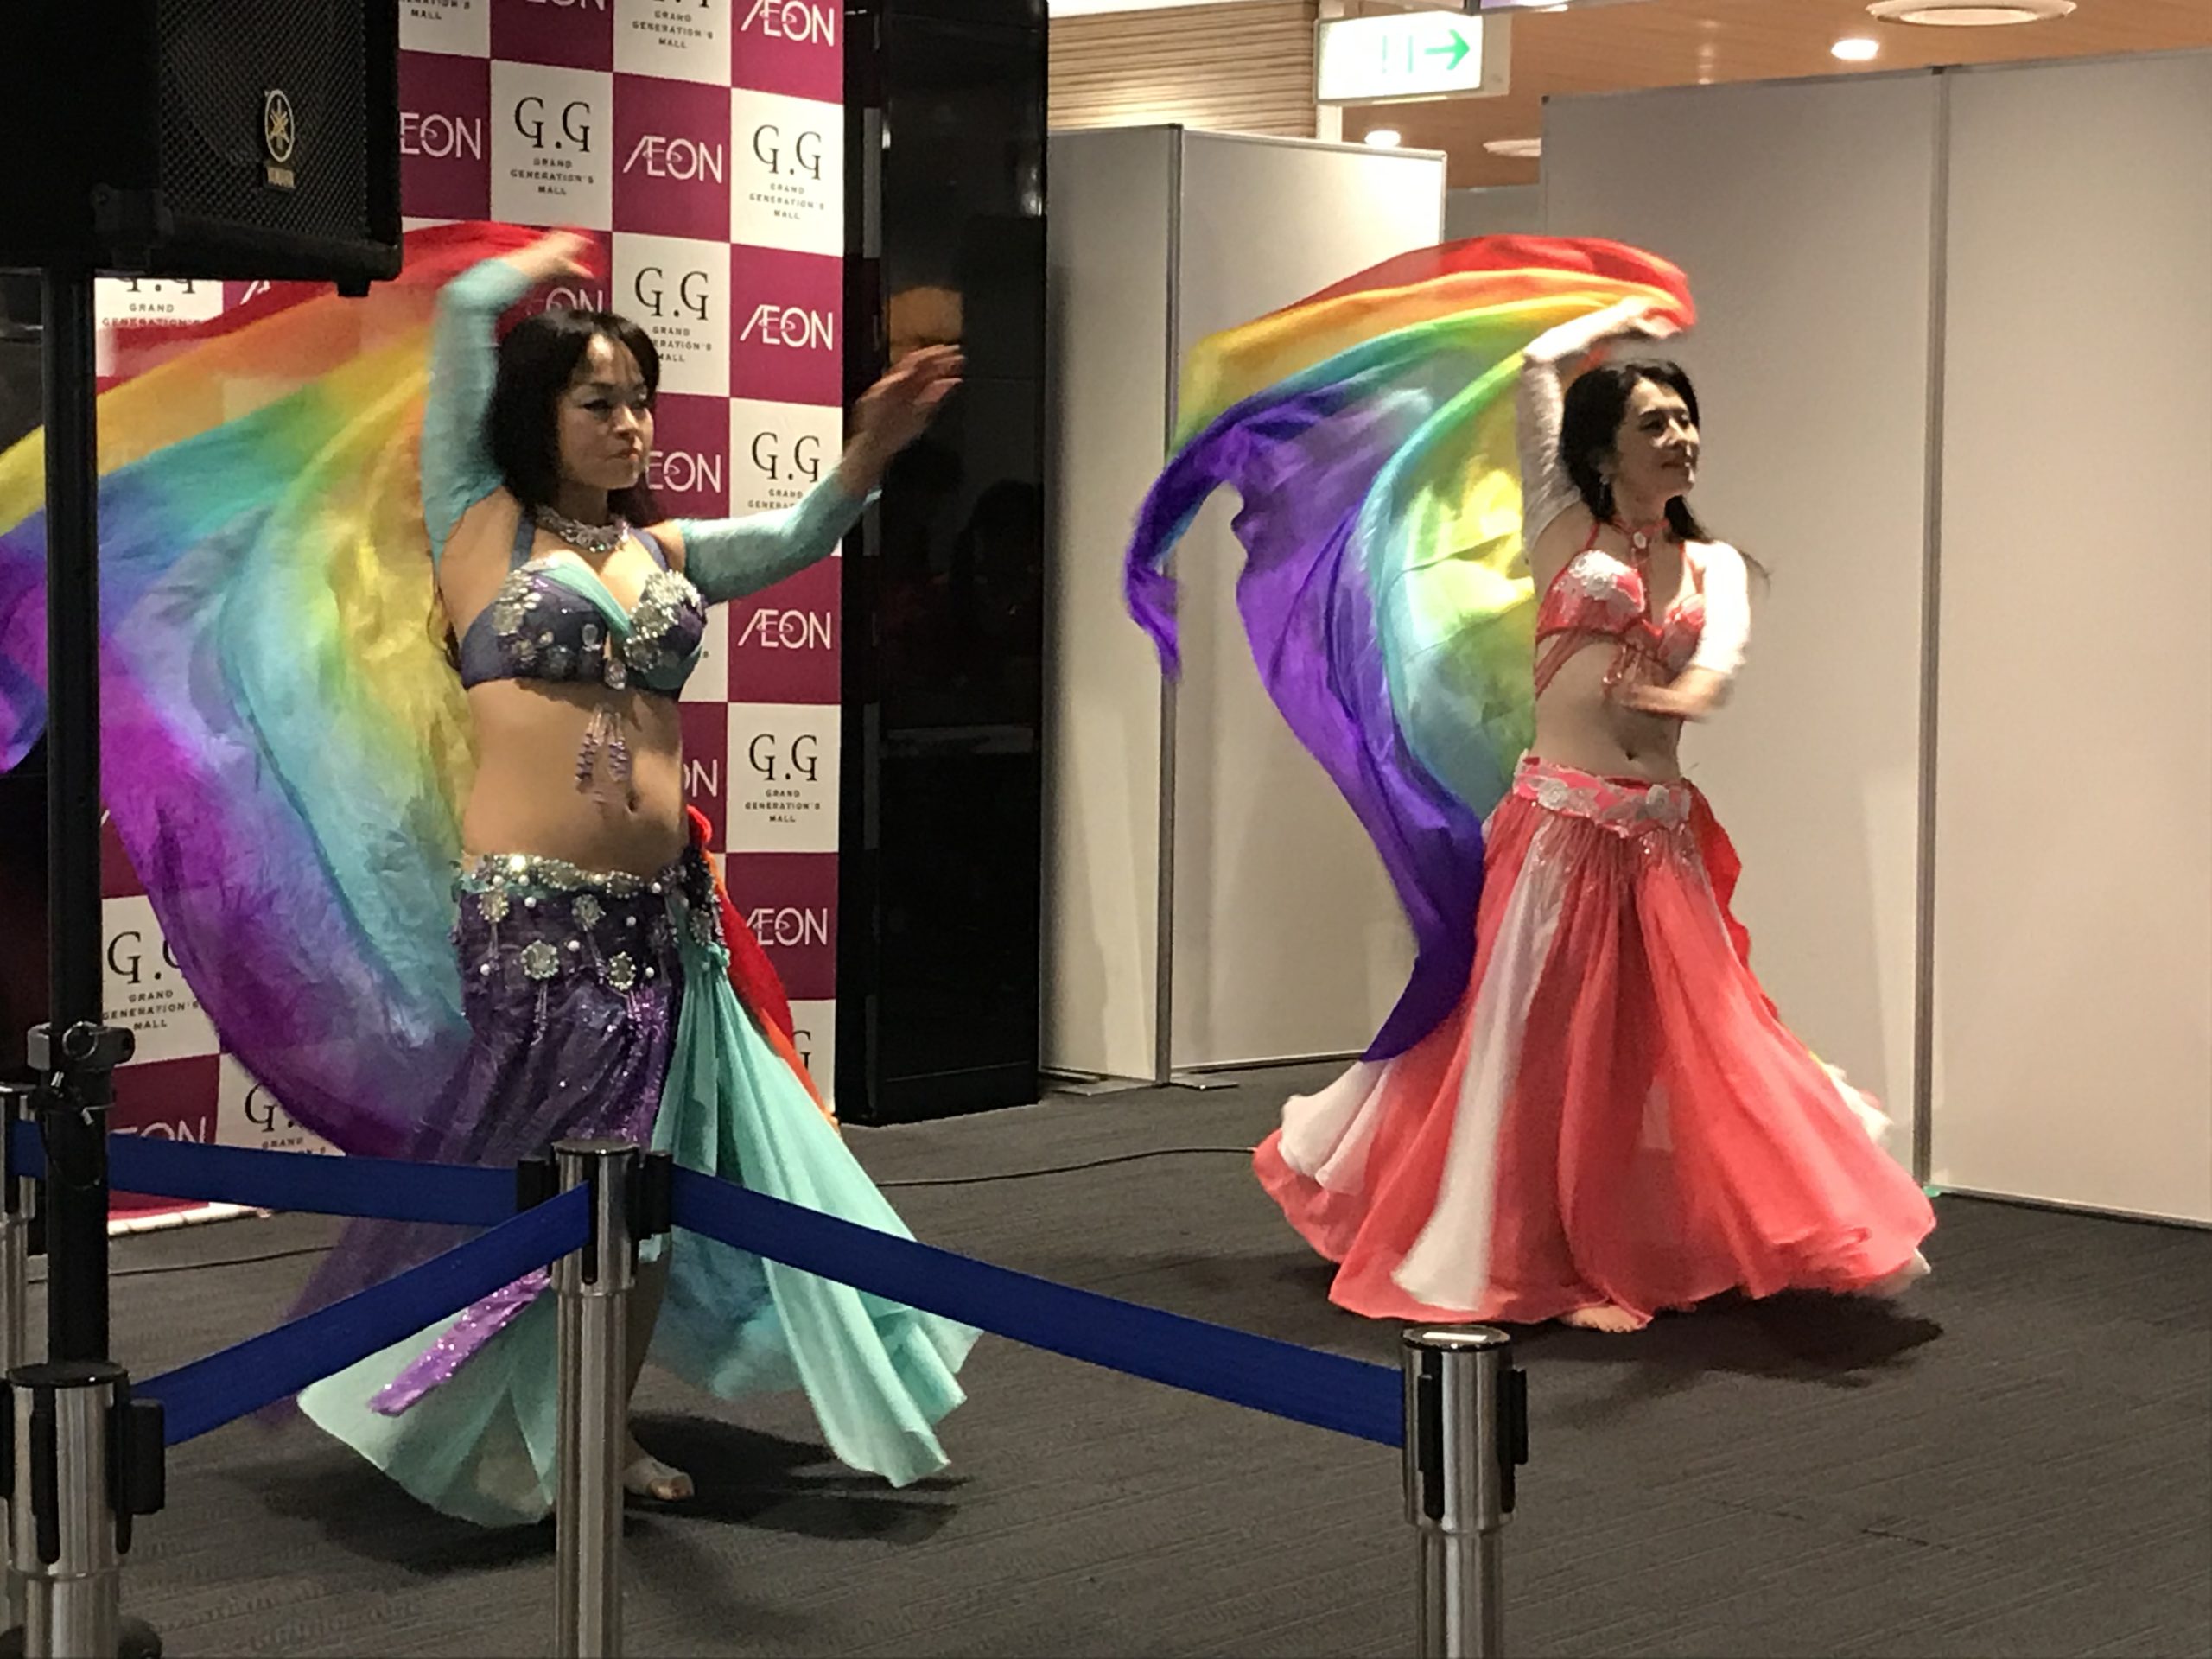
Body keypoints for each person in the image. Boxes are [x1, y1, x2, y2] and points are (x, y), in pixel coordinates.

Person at [0, 224, 976, 1525]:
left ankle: (596, 1425)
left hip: (662, 924)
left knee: (645, 1192)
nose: (630, 425)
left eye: (640, 401)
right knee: (557, 1181)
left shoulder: (664, 556)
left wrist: (871, 448)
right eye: (598, 401)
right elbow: (464, 315)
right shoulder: (480, 526)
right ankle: (469, 1406)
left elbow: (804, 532)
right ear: (538, 416)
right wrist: (538, 259)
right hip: (537, 921)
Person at [1125, 237, 1933, 1334]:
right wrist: (1609, 314)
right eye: (1655, 423)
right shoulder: (1561, 527)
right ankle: (1542, 1258)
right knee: (1538, 1053)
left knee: (1697, 1042)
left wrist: (1685, 691)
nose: (1681, 438)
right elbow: (1534, 375)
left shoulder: (1714, 566)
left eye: (1685, 421)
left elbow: (1717, 661)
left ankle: (1666, 1236)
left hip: (1659, 839)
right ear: (1604, 451)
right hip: (1559, 831)